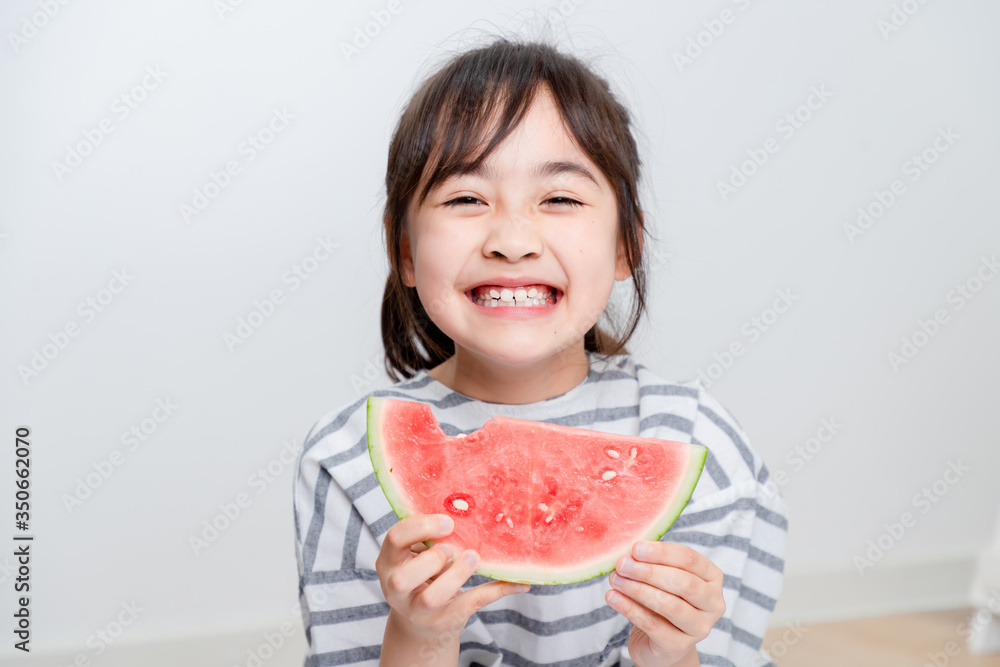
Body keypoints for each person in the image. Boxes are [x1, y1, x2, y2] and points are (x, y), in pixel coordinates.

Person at [293, 35, 787, 667]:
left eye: (560, 198)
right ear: (406, 251)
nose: (513, 239)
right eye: (466, 198)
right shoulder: (347, 460)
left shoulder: (698, 445)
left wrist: (671, 652)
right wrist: (420, 634)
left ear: (624, 246)